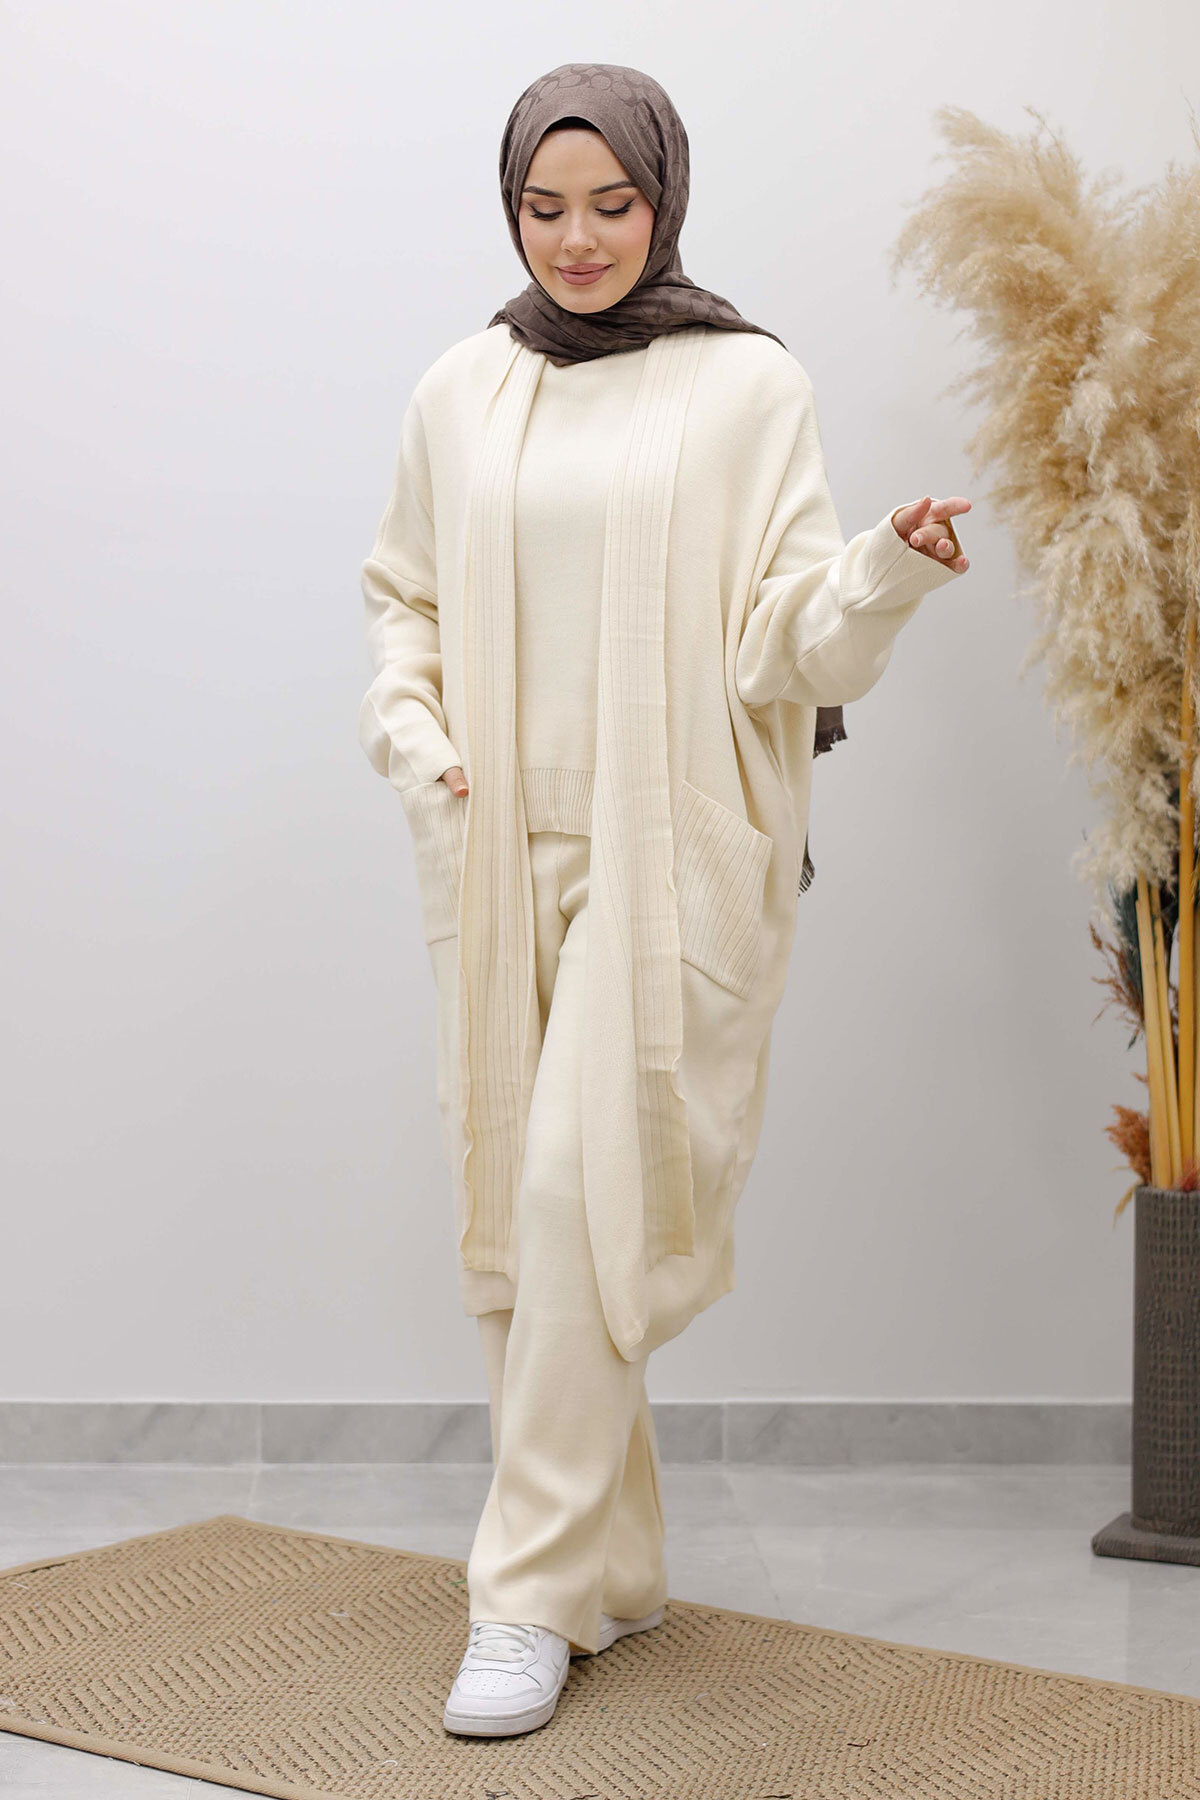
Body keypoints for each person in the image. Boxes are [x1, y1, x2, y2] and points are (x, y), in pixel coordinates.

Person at [357, 60, 971, 1740]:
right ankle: (610, 1568)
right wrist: (413, 736)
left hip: (665, 855)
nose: (578, 240)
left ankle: (521, 1599)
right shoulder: (461, 389)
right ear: (511, 208)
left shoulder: (745, 385)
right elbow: (402, 596)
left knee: (583, 1200)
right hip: (497, 850)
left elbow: (786, 640)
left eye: (611, 205)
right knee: (523, 1222)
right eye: (544, 208)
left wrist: (884, 574)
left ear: (664, 196)